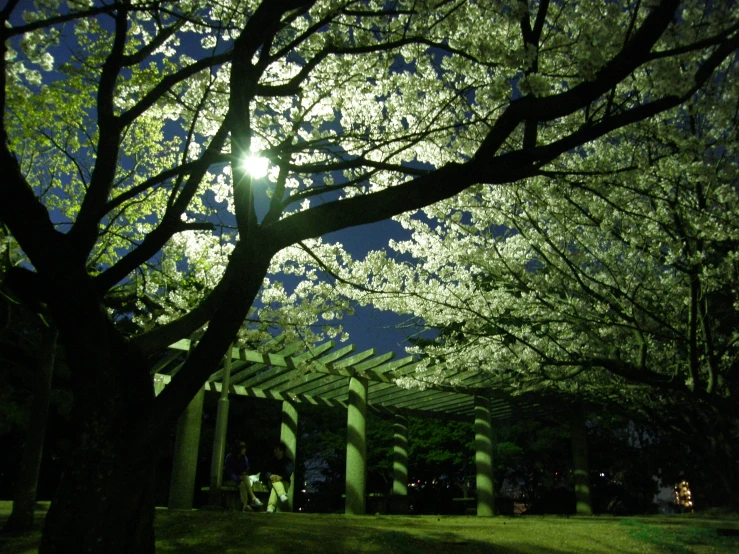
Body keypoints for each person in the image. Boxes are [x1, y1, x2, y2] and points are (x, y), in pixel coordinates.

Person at [224, 440, 263, 512]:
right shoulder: (229, 457)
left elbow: (245, 469)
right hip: (230, 479)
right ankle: (253, 498)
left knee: (242, 483)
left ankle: (245, 506)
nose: (245, 450)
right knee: (243, 480)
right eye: (243, 448)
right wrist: (237, 479)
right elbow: (229, 472)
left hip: (240, 479)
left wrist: (244, 471)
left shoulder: (244, 458)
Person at [261, 442, 294, 513]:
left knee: (274, 488)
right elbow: (266, 471)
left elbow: (289, 471)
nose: (274, 451)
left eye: (276, 450)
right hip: (271, 481)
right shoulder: (271, 461)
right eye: (274, 449)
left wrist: (281, 477)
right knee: (274, 482)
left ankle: (270, 508)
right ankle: (282, 494)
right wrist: (271, 476)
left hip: (284, 483)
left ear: (282, 451)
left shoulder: (288, 461)